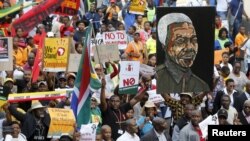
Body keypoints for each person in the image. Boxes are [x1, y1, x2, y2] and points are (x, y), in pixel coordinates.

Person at [156, 13, 210, 93]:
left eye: (193, 40)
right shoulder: (156, 78)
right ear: (164, 46)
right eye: (180, 41)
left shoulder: (201, 85)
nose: (190, 47)